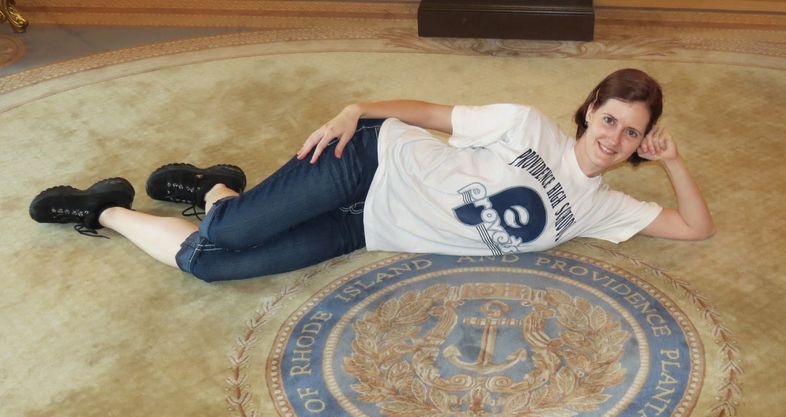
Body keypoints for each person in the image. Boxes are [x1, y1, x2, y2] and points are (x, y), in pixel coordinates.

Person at [28, 68, 714, 282]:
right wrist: (356, 111)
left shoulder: (601, 207)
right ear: (589, 109)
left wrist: (674, 160)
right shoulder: (527, 123)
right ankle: (158, 200)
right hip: (369, 159)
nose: (615, 136)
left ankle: (128, 204)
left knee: (208, 265)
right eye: (609, 118)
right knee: (225, 234)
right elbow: (434, 114)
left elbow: (692, 227)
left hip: (369, 228)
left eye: (631, 131)